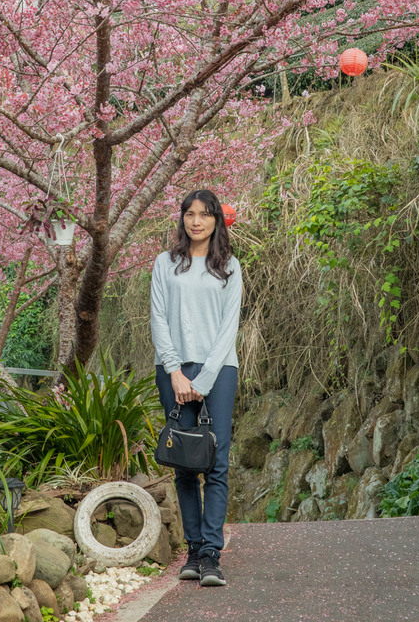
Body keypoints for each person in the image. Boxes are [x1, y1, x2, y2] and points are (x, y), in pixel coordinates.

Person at [150, 188, 243, 588]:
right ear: (182, 218)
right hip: (172, 369)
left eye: (205, 214)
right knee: (184, 462)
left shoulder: (230, 268)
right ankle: (192, 550)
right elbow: (158, 318)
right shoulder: (164, 264)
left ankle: (211, 554)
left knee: (216, 462)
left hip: (218, 371)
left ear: (216, 220)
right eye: (190, 213)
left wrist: (203, 380)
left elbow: (228, 328)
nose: (197, 221)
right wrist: (174, 371)